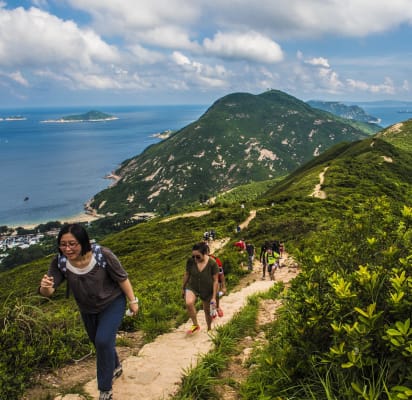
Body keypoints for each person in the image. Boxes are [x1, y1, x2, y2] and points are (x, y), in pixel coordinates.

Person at [39, 224, 139, 400]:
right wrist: (45, 287)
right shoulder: (60, 262)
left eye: (73, 244)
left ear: (83, 242)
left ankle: (105, 389)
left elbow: (122, 278)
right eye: (63, 244)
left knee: (102, 341)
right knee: (99, 342)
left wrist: (133, 301)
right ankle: (116, 367)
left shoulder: (102, 255)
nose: (67, 249)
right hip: (87, 309)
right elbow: (49, 292)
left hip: (112, 303)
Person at [182, 242, 219, 333]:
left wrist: (214, 297)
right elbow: (187, 274)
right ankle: (195, 325)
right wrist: (183, 288)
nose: (195, 259)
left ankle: (209, 328)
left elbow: (215, 281)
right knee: (189, 303)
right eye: (193, 256)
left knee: (207, 311)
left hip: (207, 289)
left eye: (198, 256)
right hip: (192, 286)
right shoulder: (190, 262)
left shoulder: (212, 263)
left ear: (205, 253)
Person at [208, 250, 226, 317]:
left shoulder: (216, 260)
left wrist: (223, 286)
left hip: (216, 281)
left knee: (216, 294)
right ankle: (212, 311)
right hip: (206, 282)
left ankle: (217, 307)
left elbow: (221, 274)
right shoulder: (200, 261)